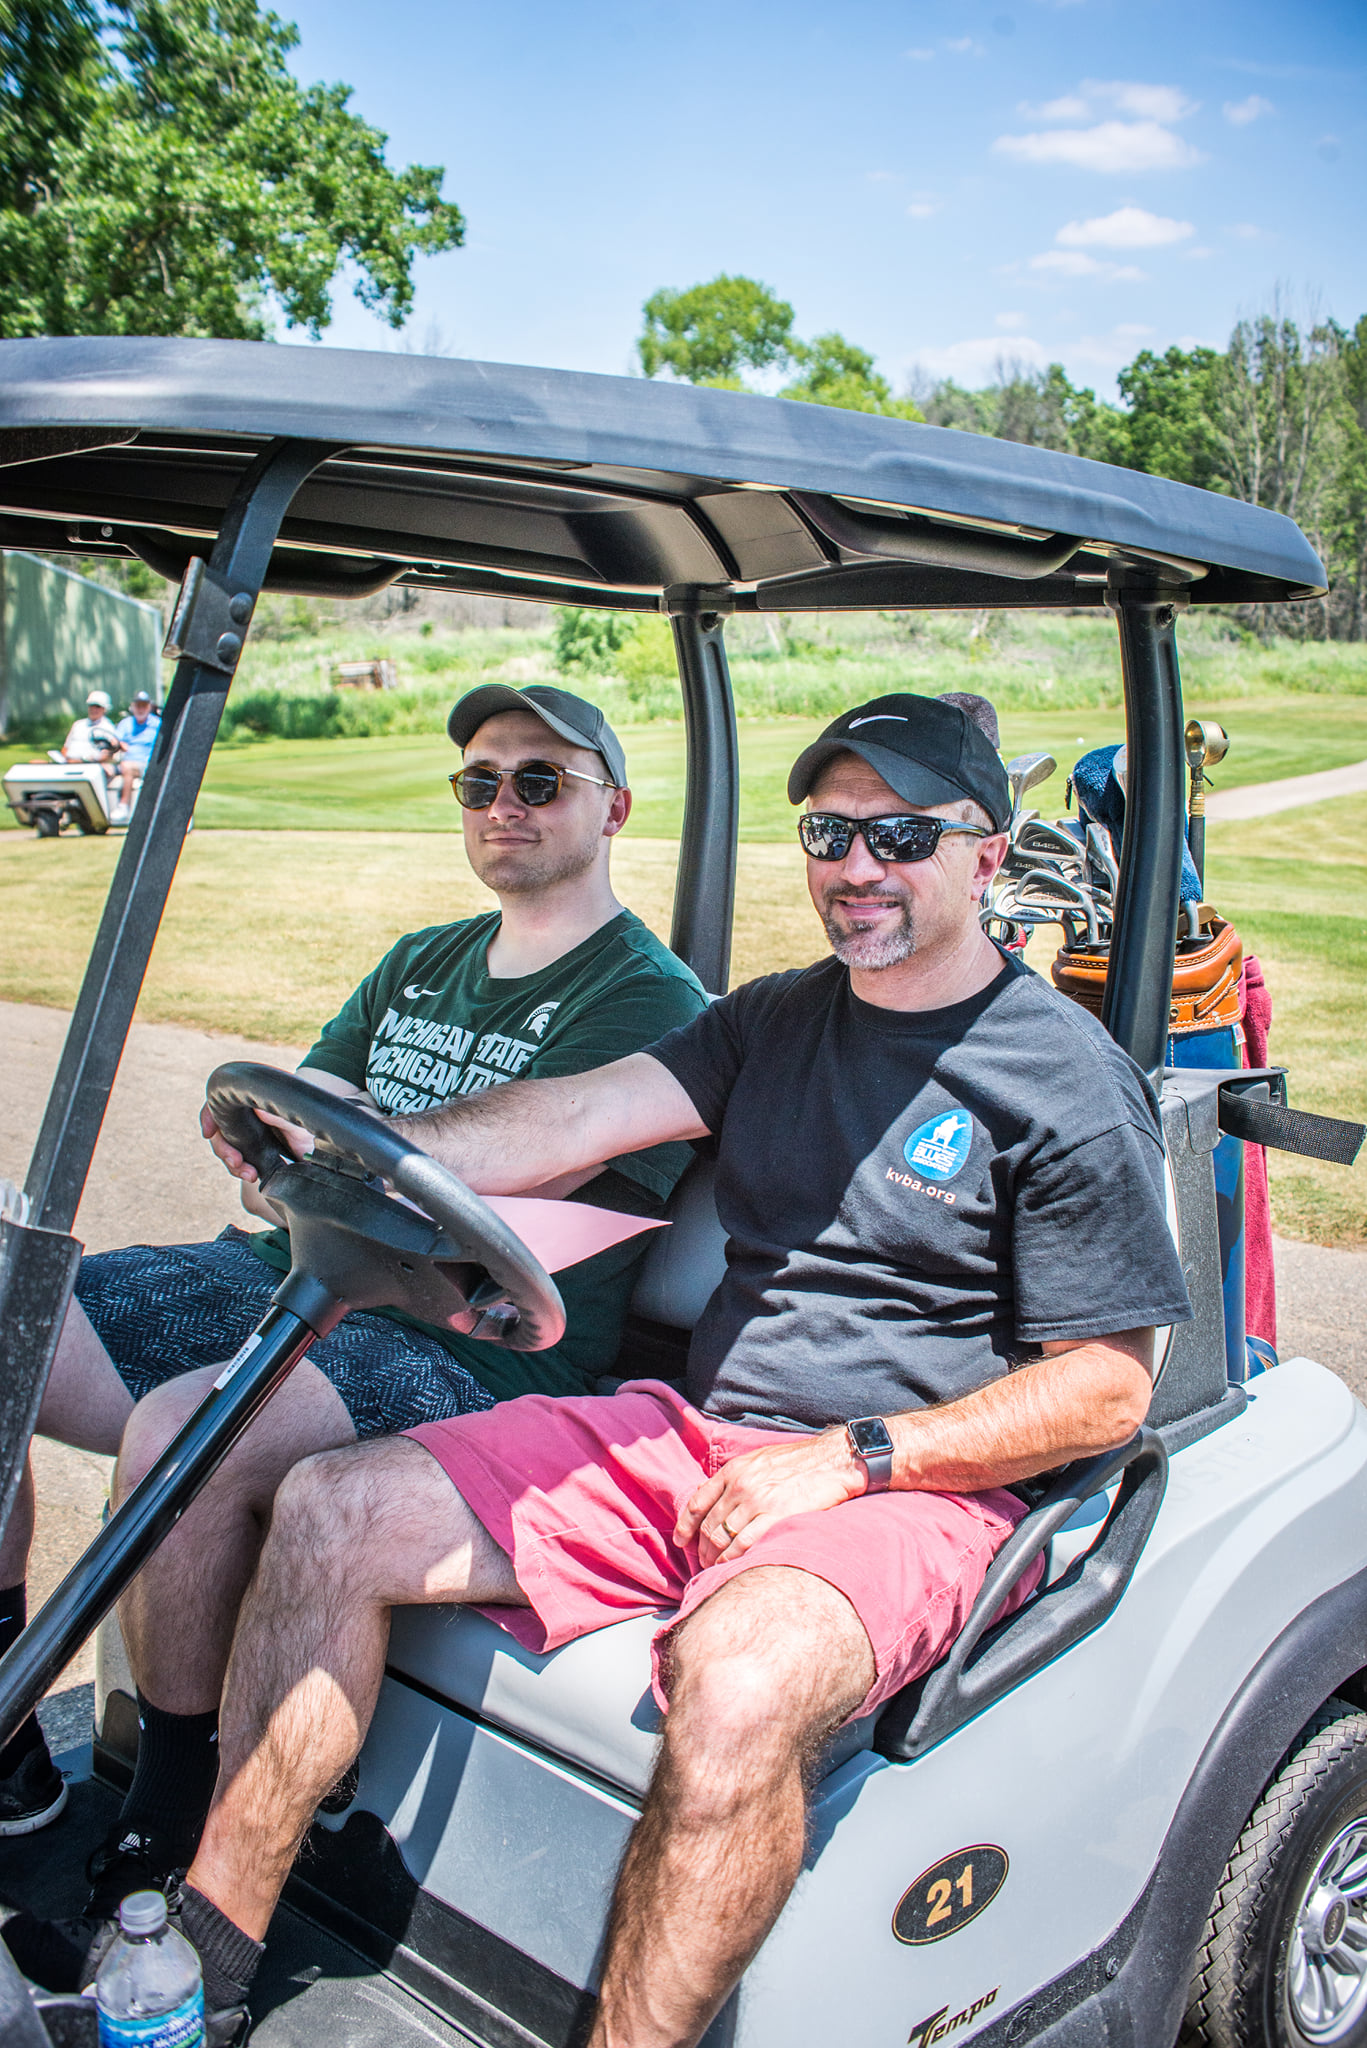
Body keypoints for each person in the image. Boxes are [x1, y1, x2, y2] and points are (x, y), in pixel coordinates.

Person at [10, 693, 1191, 2048]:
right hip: (699, 1433)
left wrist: (852, 1460)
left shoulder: (1059, 1076)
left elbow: (1105, 1386)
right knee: (334, 1506)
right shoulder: (775, 1019)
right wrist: (375, 1146)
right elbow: (574, 1113)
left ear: (986, 855)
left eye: (900, 835)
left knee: (741, 1683)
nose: (855, 867)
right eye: (829, 832)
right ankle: (195, 1964)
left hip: (905, 1481)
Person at [0, 683, 704, 1887]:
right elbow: (293, 1141)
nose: (503, 804)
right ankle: (13, 1743)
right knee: (9, 1320)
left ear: (614, 808)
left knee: (189, 1429)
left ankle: (167, 1805)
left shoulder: (647, 1001)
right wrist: (291, 1158)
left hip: (459, 1346)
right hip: (286, 1276)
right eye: (479, 782)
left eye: (540, 781)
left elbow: (485, 1203)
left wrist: (342, 1149)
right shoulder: (419, 961)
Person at [111, 690, 161, 819]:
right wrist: (120, 744)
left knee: (128, 767)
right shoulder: (126, 723)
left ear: (149, 707)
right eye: (138, 706)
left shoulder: (157, 724)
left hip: (150, 763)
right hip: (129, 762)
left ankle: (124, 805)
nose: (141, 709)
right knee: (126, 767)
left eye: (144, 706)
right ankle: (123, 807)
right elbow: (115, 740)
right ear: (133, 707)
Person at [60, 690, 123, 785]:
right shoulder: (78, 725)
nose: (94, 709)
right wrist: (67, 759)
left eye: (97, 707)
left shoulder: (108, 728)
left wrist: (80, 761)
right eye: (91, 706)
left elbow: (109, 755)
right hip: (69, 764)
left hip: (91, 768)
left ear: (104, 709)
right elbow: (65, 748)